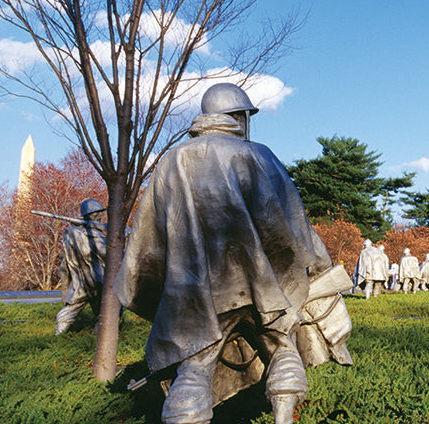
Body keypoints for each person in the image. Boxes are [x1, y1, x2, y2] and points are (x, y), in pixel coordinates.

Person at [116, 85, 353, 424]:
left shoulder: (172, 160)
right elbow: (292, 220)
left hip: (195, 291)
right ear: (238, 116)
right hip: (265, 285)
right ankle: (283, 418)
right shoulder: (258, 155)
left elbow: (148, 238)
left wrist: (151, 291)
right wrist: (317, 266)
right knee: (282, 345)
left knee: (194, 366)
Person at [54, 199, 107, 335]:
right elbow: (105, 252)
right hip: (93, 278)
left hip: (86, 278)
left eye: (99, 213)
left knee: (103, 308)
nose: (99, 216)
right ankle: (59, 335)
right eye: (96, 214)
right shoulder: (86, 234)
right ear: (89, 215)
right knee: (110, 307)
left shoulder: (78, 233)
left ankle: (97, 333)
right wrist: (120, 240)